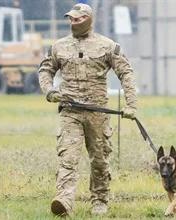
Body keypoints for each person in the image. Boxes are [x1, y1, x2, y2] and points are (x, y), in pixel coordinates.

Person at [38, 3, 137, 216]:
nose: (73, 22)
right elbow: (45, 70)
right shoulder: (58, 46)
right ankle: (63, 201)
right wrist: (50, 91)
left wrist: (130, 105)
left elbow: (126, 74)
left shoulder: (108, 46)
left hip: (98, 113)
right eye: (71, 19)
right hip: (70, 111)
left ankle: (100, 201)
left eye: (78, 19)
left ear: (89, 20)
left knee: (99, 158)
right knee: (68, 157)